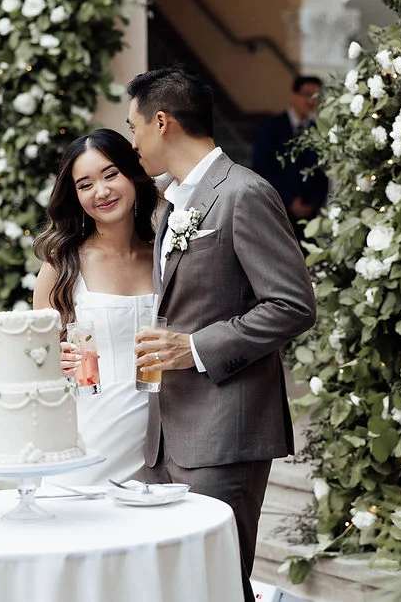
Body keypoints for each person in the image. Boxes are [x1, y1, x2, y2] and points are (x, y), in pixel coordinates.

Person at [126, 67, 316, 602]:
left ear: (161, 122)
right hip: (165, 434)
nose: (132, 142)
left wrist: (194, 348)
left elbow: (292, 305)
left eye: (133, 127)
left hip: (225, 432)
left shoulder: (244, 192)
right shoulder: (171, 202)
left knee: (219, 585)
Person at [33, 128, 160, 485]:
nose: (101, 192)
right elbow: (35, 360)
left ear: (132, 175)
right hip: (89, 435)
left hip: (164, 435)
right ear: (74, 196)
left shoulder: (166, 256)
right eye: (85, 184)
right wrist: (53, 361)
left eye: (110, 175)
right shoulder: (61, 266)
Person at [250, 75, 328, 243]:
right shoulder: (271, 127)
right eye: (307, 94)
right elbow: (261, 169)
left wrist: (313, 203)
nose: (312, 101)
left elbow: (322, 173)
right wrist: (289, 201)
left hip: (309, 218)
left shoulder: (318, 131)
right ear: (294, 95)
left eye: (316, 96)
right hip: (277, 211)